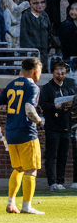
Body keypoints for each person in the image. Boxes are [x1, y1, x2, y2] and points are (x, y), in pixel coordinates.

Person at [0, 58, 46, 214]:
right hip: (26, 132)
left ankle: (11, 202)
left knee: (18, 168)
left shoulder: (11, 84)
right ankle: (27, 206)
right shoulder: (33, 86)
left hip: (11, 132)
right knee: (31, 170)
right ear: (35, 70)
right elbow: (29, 109)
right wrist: (40, 120)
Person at [38, 58, 77, 192]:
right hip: (52, 127)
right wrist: (56, 106)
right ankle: (52, 182)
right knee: (51, 155)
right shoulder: (47, 88)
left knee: (63, 155)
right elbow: (43, 105)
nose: (60, 72)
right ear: (53, 72)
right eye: (58, 69)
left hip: (66, 126)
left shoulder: (68, 87)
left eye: (62, 69)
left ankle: (60, 181)